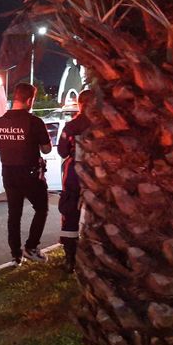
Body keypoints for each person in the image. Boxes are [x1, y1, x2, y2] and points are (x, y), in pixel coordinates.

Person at [0, 82, 52, 267]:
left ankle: (16, 255)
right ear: (29, 100)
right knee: (41, 209)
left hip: (8, 173)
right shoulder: (35, 122)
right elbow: (47, 150)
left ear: (15, 97)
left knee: (14, 214)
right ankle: (31, 248)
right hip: (30, 174)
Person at [57, 89, 94, 273]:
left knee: (69, 211)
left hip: (74, 173)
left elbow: (62, 152)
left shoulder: (71, 126)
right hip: (99, 174)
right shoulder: (103, 125)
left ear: (79, 104)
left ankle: (70, 259)